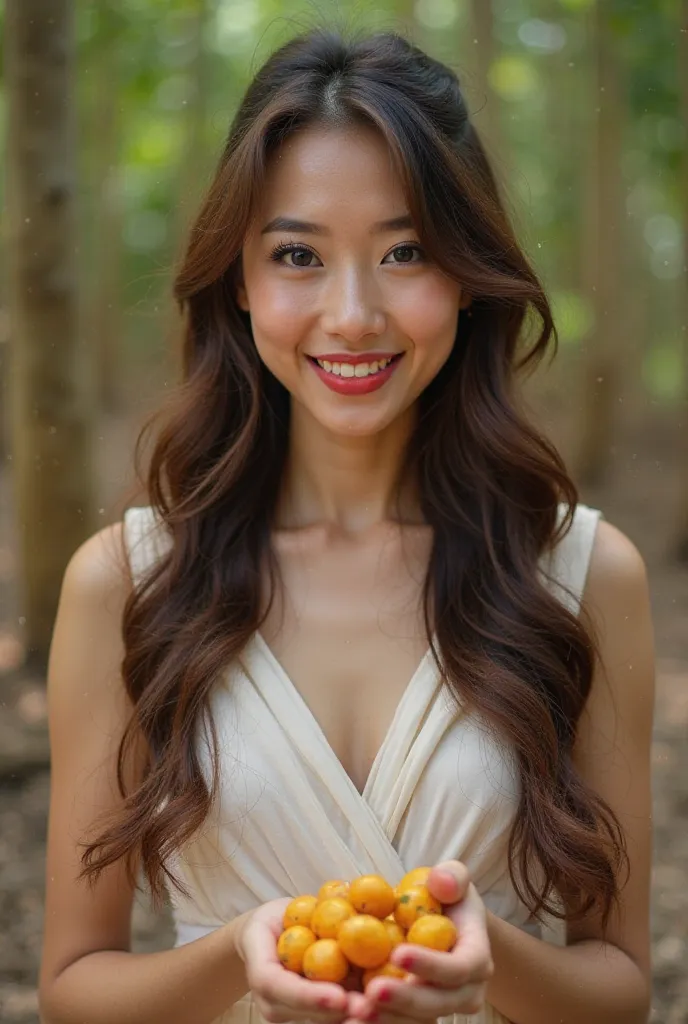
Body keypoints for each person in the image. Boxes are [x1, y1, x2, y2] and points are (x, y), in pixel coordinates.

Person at [38, 27, 654, 1024]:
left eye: (405, 251)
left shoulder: (580, 574)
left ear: (464, 270)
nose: (354, 313)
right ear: (239, 280)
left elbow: (619, 984)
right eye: (298, 256)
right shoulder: (129, 580)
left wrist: (488, 954)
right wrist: (242, 951)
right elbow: (73, 987)